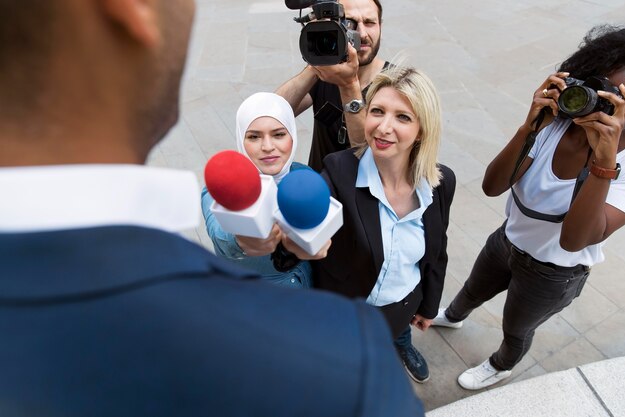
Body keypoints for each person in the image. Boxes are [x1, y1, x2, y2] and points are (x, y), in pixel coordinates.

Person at [0, 2, 426, 416]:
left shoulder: (310, 175)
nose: (267, 145)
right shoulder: (352, 369)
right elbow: (227, 230)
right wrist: (248, 239)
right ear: (133, 9)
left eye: (279, 135)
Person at [432, 25, 625, 391]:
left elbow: (574, 240)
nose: (599, 102)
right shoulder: (556, 125)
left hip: (554, 272)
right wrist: (530, 126)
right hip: (508, 238)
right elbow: (493, 185)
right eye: (597, 87)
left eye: (614, 100)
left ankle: (501, 364)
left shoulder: (622, 165)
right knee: (472, 288)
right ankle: (454, 316)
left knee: (516, 327)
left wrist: (603, 160)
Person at [314, 66, 456, 384]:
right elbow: (304, 237)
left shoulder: (440, 182)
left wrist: (430, 305)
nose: (383, 127)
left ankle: (401, 344)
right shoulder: (337, 172)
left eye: (403, 117)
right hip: (348, 311)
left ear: (422, 130)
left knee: (396, 334)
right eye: (377, 111)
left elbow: (437, 248)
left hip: (403, 303)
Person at [201, 92, 326, 288]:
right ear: (241, 140)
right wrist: (244, 237)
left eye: (278, 134)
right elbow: (221, 236)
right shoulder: (221, 188)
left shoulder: (304, 175)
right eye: (254, 137)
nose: (267, 147)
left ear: (292, 136)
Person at [276, 0, 387, 172]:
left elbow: (370, 158)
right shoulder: (323, 75)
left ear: (380, 25)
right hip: (322, 194)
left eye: (370, 23)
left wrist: (349, 85)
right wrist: (317, 60)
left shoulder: (396, 85)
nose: (362, 33)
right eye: (350, 23)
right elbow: (271, 113)